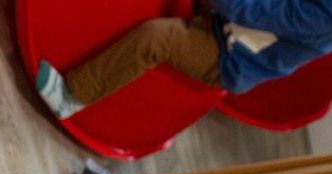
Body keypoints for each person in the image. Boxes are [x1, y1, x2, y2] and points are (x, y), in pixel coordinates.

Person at [36, 0, 332, 119]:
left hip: (226, 56)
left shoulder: (323, 18)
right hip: (226, 19)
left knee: (159, 38)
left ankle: (74, 95)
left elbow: (253, 13)